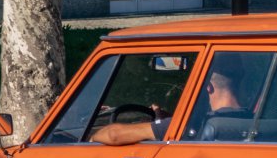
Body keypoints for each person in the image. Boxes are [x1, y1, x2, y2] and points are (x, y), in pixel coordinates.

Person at [90, 59, 247, 145]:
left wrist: (93, 137)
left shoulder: (194, 127)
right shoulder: (253, 120)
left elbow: (113, 135)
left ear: (208, 87)